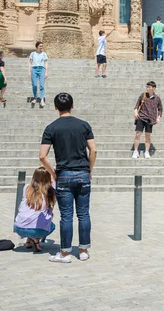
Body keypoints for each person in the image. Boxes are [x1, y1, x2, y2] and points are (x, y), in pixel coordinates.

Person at [40, 93, 97, 263]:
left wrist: (53, 173)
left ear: (55, 107)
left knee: (66, 216)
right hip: (83, 173)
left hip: (64, 174)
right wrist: (90, 169)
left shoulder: (51, 128)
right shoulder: (84, 125)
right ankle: (84, 250)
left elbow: (42, 156)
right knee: (84, 214)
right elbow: (93, 150)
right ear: (73, 106)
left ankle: (65, 253)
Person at [13, 167, 56, 253]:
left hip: (18, 227)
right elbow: (56, 180)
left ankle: (28, 240)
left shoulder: (26, 188)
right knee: (51, 226)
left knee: (31, 217)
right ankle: (36, 240)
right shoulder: (49, 190)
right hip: (36, 230)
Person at [132, 81, 163, 159]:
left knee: (147, 136)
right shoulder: (143, 95)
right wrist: (135, 112)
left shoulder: (157, 98)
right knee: (138, 134)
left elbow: (160, 109)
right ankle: (135, 151)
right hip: (141, 117)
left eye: (149, 87)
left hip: (150, 119)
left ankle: (146, 151)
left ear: (153, 88)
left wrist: (158, 117)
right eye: (147, 87)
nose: (147, 88)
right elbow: (137, 105)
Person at [28, 41, 49, 107]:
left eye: (42, 46)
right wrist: (29, 71)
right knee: (34, 85)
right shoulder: (32, 54)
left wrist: (46, 72)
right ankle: (35, 97)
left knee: (42, 85)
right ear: (37, 46)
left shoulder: (44, 54)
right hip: (34, 69)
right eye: (40, 46)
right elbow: (30, 63)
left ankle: (42, 99)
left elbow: (46, 63)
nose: (41, 47)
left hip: (41, 69)